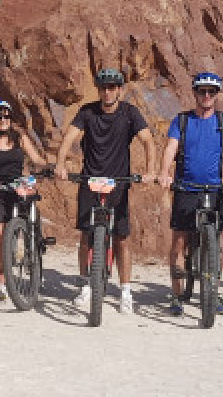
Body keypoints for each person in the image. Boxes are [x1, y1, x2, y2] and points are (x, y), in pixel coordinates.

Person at [56, 68, 158, 315]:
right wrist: (60, 163)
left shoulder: (129, 113)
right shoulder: (88, 112)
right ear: (99, 90)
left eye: (113, 87)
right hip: (90, 180)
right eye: (103, 87)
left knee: (122, 237)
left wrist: (151, 170)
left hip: (118, 182)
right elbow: (69, 137)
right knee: (86, 235)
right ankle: (84, 285)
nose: (108, 92)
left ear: (120, 90)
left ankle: (125, 290)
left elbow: (147, 141)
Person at [157, 71, 223, 317]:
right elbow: (171, 147)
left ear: (217, 95)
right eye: (202, 91)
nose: (206, 95)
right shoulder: (182, 120)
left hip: (213, 189)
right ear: (195, 93)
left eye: (211, 92)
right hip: (185, 188)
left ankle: (213, 293)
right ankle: (177, 294)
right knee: (179, 241)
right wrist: (164, 173)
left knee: (215, 245)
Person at [0, 100, 47, 301]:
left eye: (6, 116)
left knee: (11, 241)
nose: (3, 120)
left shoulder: (20, 138)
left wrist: (50, 166)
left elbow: (35, 159)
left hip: (17, 191)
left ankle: (2, 283)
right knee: (1, 242)